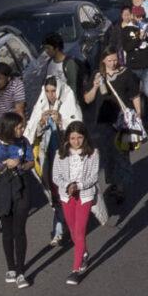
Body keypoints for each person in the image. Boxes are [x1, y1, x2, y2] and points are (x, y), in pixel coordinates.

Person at [24, 76, 82, 247]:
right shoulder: (41, 105)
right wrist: (41, 122)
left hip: (67, 159)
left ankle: (69, 228)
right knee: (55, 193)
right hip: (48, 159)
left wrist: (61, 121)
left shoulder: (68, 103)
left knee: (68, 192)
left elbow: (77, 130)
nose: (50, 95)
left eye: (53, 91)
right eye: (47, 91)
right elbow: (32, 132)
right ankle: (59, 230)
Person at [0, 113, 34, 289]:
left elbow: (31, 162)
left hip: (21, 188)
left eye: (22, 127)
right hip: (3, 190)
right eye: (18, 127)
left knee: (20, 230)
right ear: (10, 128)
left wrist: (20, 165)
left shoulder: (23, 142)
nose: (22, 130)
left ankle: (20, 271)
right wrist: (3, 165)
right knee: (8, 231)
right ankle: (11, 268)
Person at [83, 47, 141, 203]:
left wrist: (138, 114)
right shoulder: (97, 75)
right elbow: (87, 99)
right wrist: (95, 86)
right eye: (110, 60)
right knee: (108, 154)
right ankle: (114, 182)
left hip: (122, 121)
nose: (113, 63)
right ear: (103, 60)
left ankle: (121, 187)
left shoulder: (126, 74)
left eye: (115, 59)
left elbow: (135, 95)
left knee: (122, 153)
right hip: (104, 121)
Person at [51, 121, 100, 285]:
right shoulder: (60, 154)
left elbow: (93, 177)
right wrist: (67, 186)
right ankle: (84, 252)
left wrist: (78, 186)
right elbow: (55, 176)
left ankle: (76, 268)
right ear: (67, 139)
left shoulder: (93, 153)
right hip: (67, 196)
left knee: (80, 230)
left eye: (79, 137)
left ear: (85, 137)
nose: (76, 141)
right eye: (72, 138)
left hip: (84, 195)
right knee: (72, 229)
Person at [118, 7, 148, 127]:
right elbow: (127, 47)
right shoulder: (126, 30)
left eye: (141, 16)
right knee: (134, 94)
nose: (139, 18)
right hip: (134, 66)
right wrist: (139, 38)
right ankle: (135, 118)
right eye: (137, 16)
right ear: (132, 16)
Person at [41, 32, 82, 97]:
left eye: (48, 48)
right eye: (45, 48)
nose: (46, 51)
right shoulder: (49, 63)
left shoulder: (69, 64)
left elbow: (73, 90)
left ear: (56, 48)